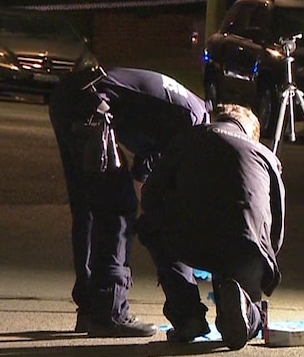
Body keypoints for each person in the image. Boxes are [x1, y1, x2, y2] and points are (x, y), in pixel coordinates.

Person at [49, 66, 209, 337]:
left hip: (71, 97)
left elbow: (147, 163)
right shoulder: (194, 122)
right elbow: (167, 192)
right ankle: (109, 310)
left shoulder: (181, 111)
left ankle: (90, 306)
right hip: (94, 107)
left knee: (88, 205)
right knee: (118, 206)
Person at [137, 104, 285, 351]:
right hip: (245, 245)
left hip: (192, 238)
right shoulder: (265, 155)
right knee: (245, 310)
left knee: (151, 225)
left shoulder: (188, 138)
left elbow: (151, 194)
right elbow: (277, 223)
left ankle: (187, 316)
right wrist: (264, 266)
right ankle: (245, 308)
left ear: (218, 118)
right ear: (250, 131)